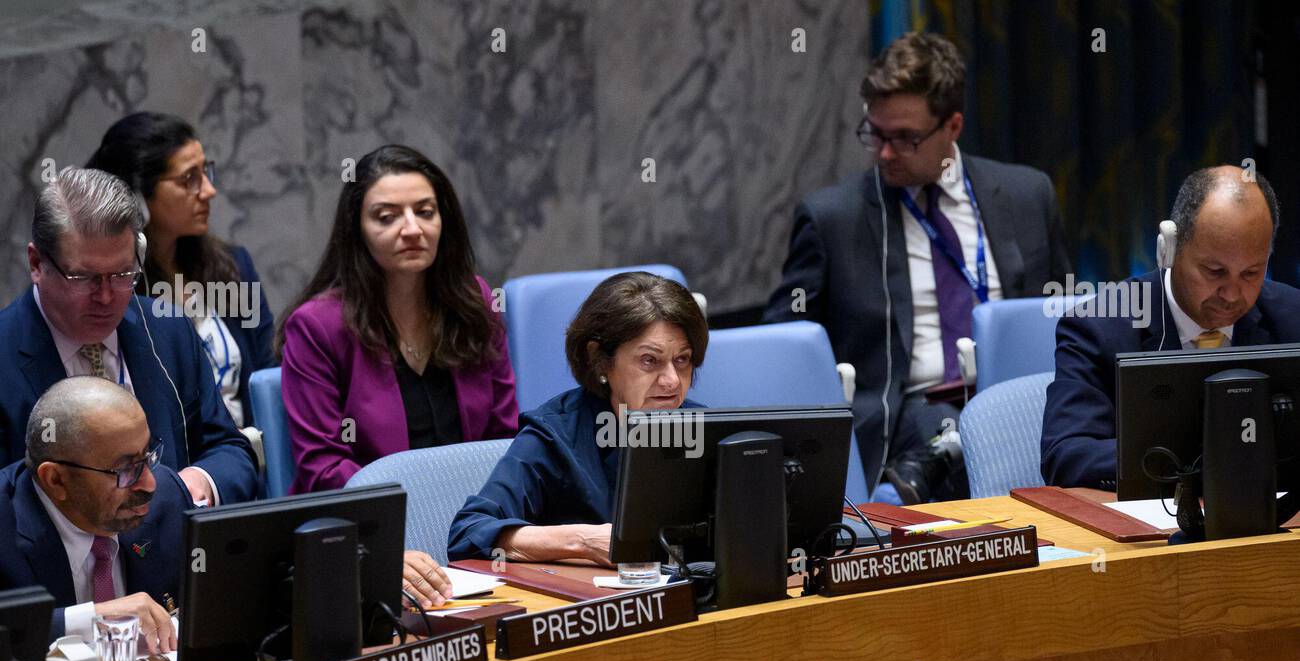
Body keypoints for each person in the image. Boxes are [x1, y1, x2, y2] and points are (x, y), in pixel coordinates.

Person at [764, 31, 1070, 503]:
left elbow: (1060, 317)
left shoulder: (1027, 196)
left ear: (953, 126)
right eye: (876, 134)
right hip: (906, 409)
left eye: (905, 138)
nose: (885, 153)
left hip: (1017, 396)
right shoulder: (833, 218)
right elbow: (783, 344)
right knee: (955, 435)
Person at [0, 166, 258, 506]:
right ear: (36, 263)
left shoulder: (168, 330)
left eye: (123, 275)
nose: (106, 297)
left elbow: (229, 449)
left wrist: (201, 481)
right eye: (84, 278)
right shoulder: (6, 353)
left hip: (174, 551)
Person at [276, 144, 517, 494]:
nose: (412, 229)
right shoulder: (317, 327)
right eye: (387, 217)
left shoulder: (474, 302)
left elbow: (504, 437)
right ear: (356, 230)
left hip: (472, 518)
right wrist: (413, 518)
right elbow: (324, 467)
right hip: (369, 525)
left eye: (425, 212)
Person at [1042, 167, 1300, 489]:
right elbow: (1066, 455)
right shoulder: (1097, 328)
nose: (1232, 294)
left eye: (1251, 273)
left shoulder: (1292, 317)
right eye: (1214, 271)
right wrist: (1209, 458)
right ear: (1169, 249)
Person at [448, 271, 707, 564]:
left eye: (682, 359)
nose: (672, 380)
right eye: (650, 360)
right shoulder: (554, 434)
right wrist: (582, 542)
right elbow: (468, 533)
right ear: (600, 360)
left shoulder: (703, 428)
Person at [87, 112, 276, 430]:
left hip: (250, 462)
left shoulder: (232, 266)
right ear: (137, 195)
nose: (208, 190)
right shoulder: (115, 290)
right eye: (189, 178)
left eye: (206, 172)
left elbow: (267, 374)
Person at [0, 377, 189, 651]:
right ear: (56, 480)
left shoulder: (167, 500)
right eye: (124, 470)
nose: (149, 484)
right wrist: (92, 619)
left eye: (147, 456)